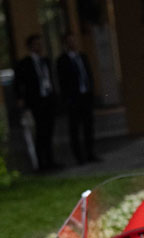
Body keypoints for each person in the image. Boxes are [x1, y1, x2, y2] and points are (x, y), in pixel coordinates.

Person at [15, 34, 58, 170]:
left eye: (40, 44)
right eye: (36, 44)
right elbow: (18, 83)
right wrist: (20, 99)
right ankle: (40, 163)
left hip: (48, 99)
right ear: (30, 47)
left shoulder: (45, 61)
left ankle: (50, 160)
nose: (39, 47)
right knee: (40, 131)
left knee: (49, 130)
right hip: (36, 101)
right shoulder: (25, 64)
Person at [57, 33, 100, 164]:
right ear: (65, 44)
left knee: (89, 126)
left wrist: (91, 90)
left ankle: (90, 153)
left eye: (74, 40)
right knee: (75, 128)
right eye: (70, 41)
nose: (73, 43)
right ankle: (79, 157)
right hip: (74, 99)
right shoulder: (62, 61)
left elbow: (88, 75)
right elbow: (62, 81)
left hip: (85, 96)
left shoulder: (82, 57)